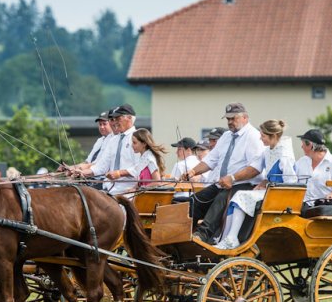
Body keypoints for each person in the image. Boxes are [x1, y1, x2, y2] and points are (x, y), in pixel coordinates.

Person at [182, 102, 264, 244]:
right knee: (193, 202)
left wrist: (232, 178)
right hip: (223, 183)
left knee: (221, 199)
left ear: (245, 117)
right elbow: (210, 161)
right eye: (228, 119)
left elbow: (255, 168)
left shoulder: (253, 137)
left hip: (244, 184)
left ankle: (202, 236)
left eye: (233, 118)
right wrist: (193, 171)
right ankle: (182, 236)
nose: (230, 122)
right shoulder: (226, 136)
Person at [215, 119, 297, 249]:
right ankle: (227, 238)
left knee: (241, 196)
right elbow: (260, 169)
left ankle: (232, 239)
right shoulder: (269, 151)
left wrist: (268, 185)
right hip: (270, 191)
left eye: (263, 136)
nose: (260, 138)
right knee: (236, 198)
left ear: (273, 136)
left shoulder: (284, 155)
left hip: (279, 196)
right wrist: (264, 181)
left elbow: (291, 182)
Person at [76, 104, 140, 196]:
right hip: (109, 190)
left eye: (118, 119)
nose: (115, 123)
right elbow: (101, 167)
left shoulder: (137, 138)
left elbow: (140, 168)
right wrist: (81, 173)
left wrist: (119, 173)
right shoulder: (113, 140)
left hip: (129, 191)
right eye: (114, 120)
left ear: (129, 118)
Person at [294, 129, 332, 206]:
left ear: (310, 145)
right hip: (301, 206)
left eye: (303, 144)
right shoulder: (301, 162)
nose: (301, 147)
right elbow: (292, 182)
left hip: (324, 207)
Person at [112, 128, 168, 195]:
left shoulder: (149, 160)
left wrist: (140, 189)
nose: (132, 146)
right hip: (142, 194)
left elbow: (157, 182)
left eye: (134, 143)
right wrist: (132, 189)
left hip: (149, 196)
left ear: (144, 144)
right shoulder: (142, 159)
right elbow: (140, 182)